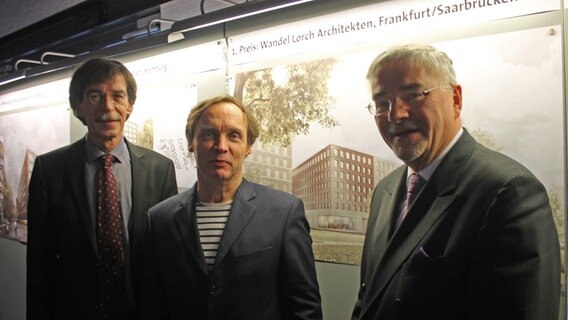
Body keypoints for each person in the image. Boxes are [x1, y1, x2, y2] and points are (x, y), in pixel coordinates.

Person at [352, 44, 560, 320]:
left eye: (413, 95)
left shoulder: (507, 191)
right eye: (382, 103)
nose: (396, 115)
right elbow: (368, 301)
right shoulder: (385, 191)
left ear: (456, 99)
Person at [140, 94, 322, 320]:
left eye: (234, 136)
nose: (221, 146)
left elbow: (304, 307)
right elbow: (152, 305)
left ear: (248, 146)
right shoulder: (160, 219)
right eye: (209, 134)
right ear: (191, 142)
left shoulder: (283, 213)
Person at [26, 57, 178, 320]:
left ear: (129, 106)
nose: (108, 107)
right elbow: (41, 264)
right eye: (95, 96)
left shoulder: (160, 169)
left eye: (118, 96)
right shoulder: (49, 170)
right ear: (78, 106)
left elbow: (169, 256)